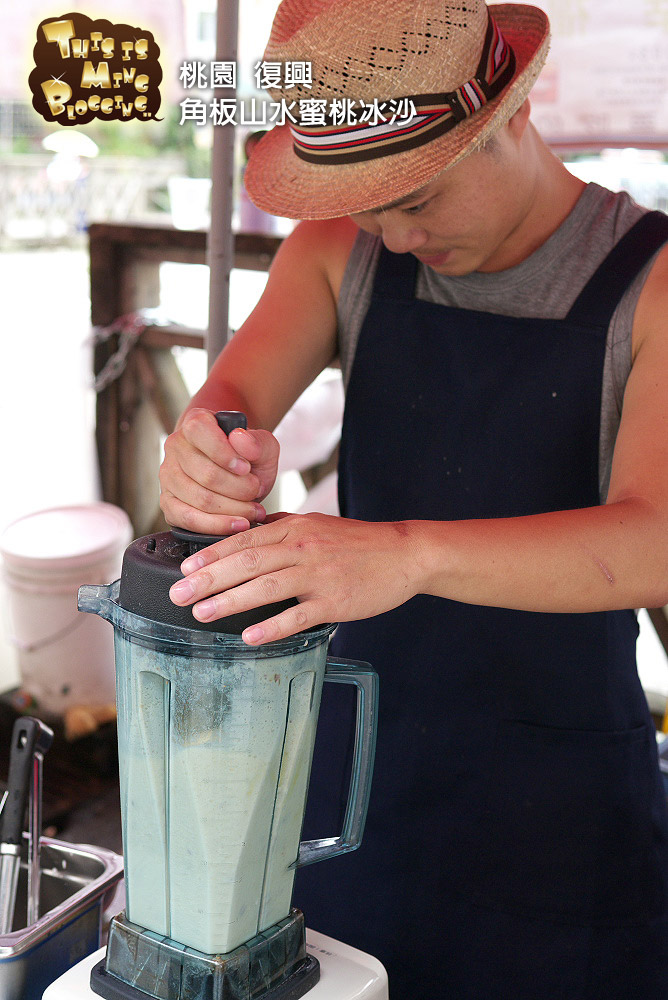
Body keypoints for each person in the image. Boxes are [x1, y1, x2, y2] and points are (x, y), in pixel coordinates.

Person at [158, 1, 668, 996]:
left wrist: (407, 555)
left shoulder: (647, 283)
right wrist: (207, 446)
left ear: (512, 109)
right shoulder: (337, 249)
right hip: (355, 778)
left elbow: (652, 537)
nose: (393, 233)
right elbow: (226, 401)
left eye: (418, 196)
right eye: (364, 203)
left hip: (562, 801)